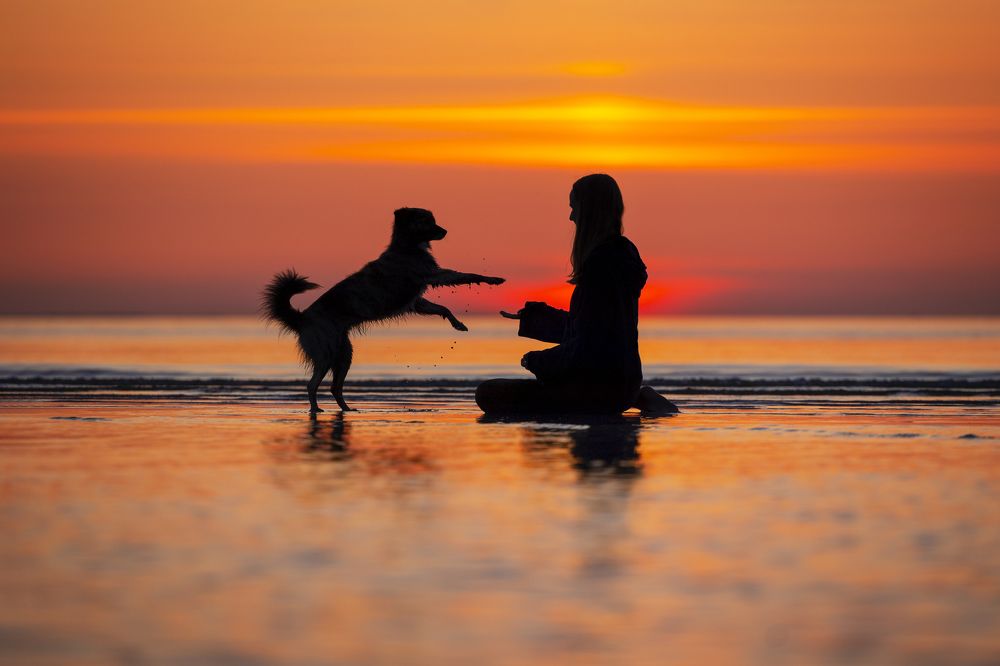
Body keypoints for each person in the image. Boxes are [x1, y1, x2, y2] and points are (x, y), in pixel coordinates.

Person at [476, 174, 678, 416]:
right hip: (624, 378)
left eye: (574, 208)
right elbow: (592, 328)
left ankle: (634, 397)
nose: (571, 217)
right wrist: (533, 318)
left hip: (596, 388)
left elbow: (587, 347)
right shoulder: (621, 257)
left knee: (488, 393)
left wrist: (535, 361)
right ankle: (632, 395)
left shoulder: (600, 265)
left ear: (589, 211)